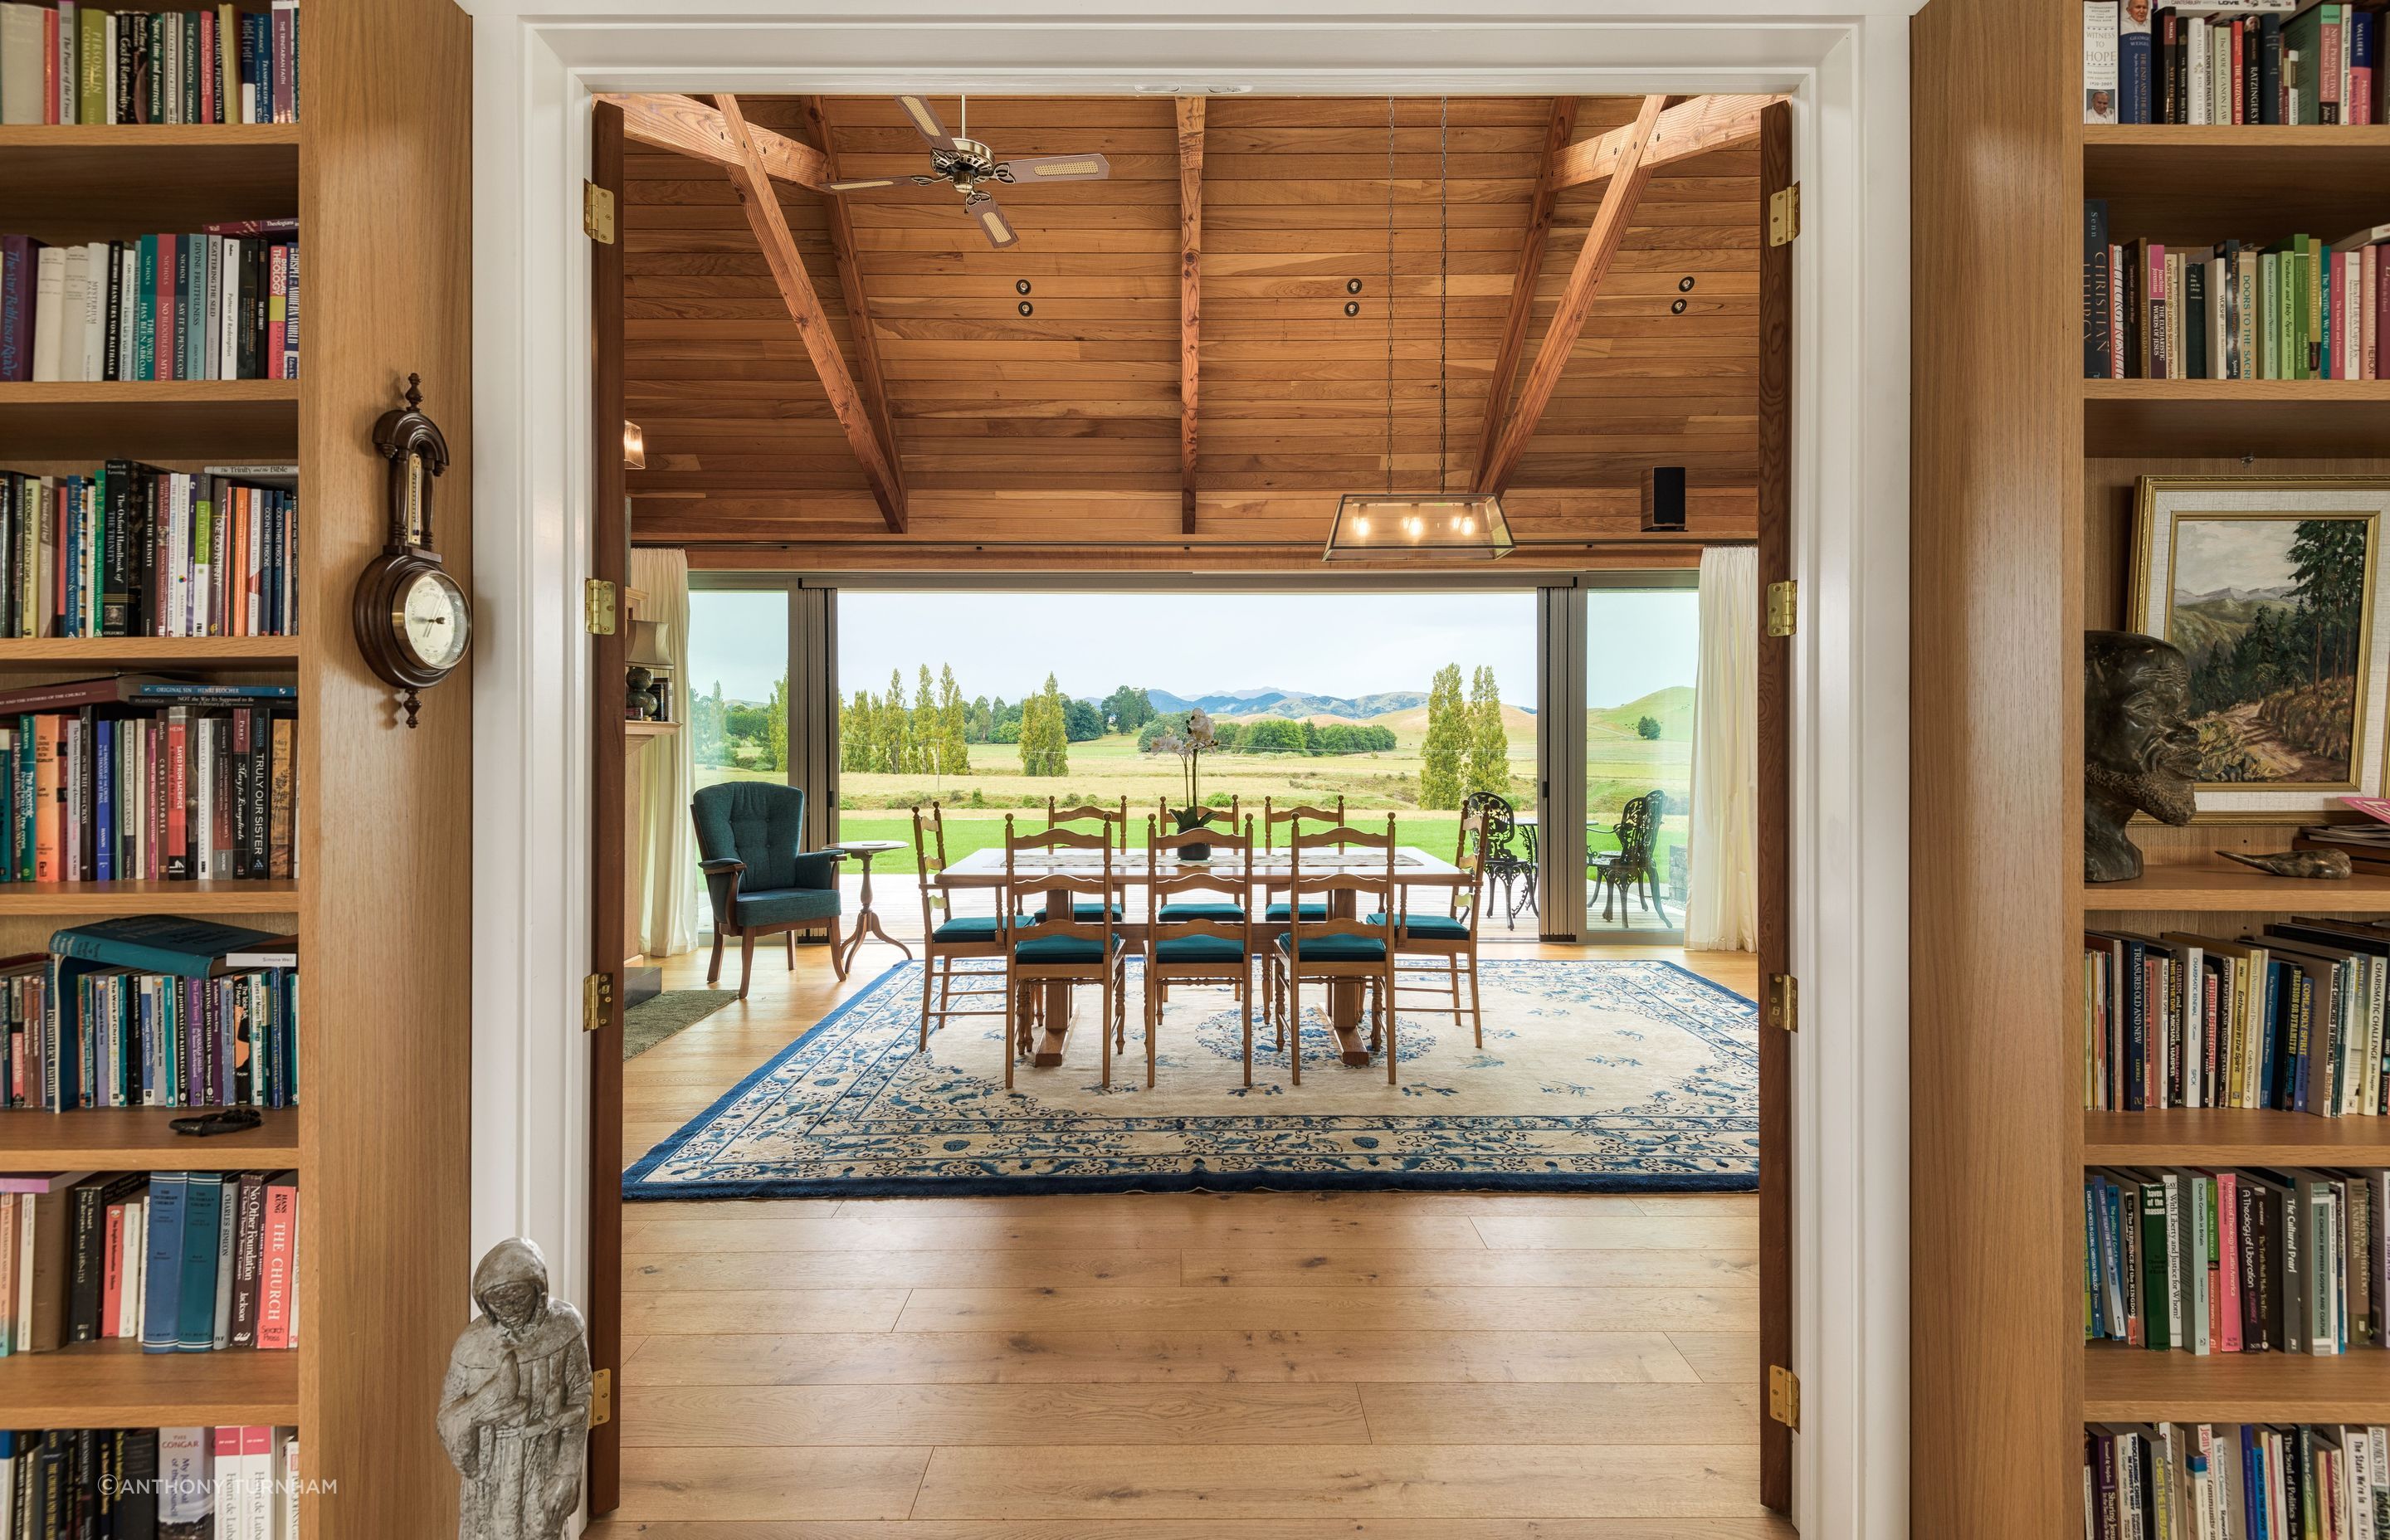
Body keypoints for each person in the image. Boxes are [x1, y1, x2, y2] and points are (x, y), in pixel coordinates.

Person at [437, 1238, 592, 1540]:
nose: (509, 1310)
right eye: (499, 1302)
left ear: (539, 1291)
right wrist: (476, 1413)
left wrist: (568, 1469)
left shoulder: (565, 1329)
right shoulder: (472, 1346)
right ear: (485, 1303)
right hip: (491, 1470)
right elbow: (446, 1418)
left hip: (543, 1460)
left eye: (518, 1299)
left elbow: (581, 1395)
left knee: (543, 1529)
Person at [2083, 630, 2201, 882]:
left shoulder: (2117, 852)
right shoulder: (2054, 851)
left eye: (2181, 713)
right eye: (2148, 709)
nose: (2189, 734)